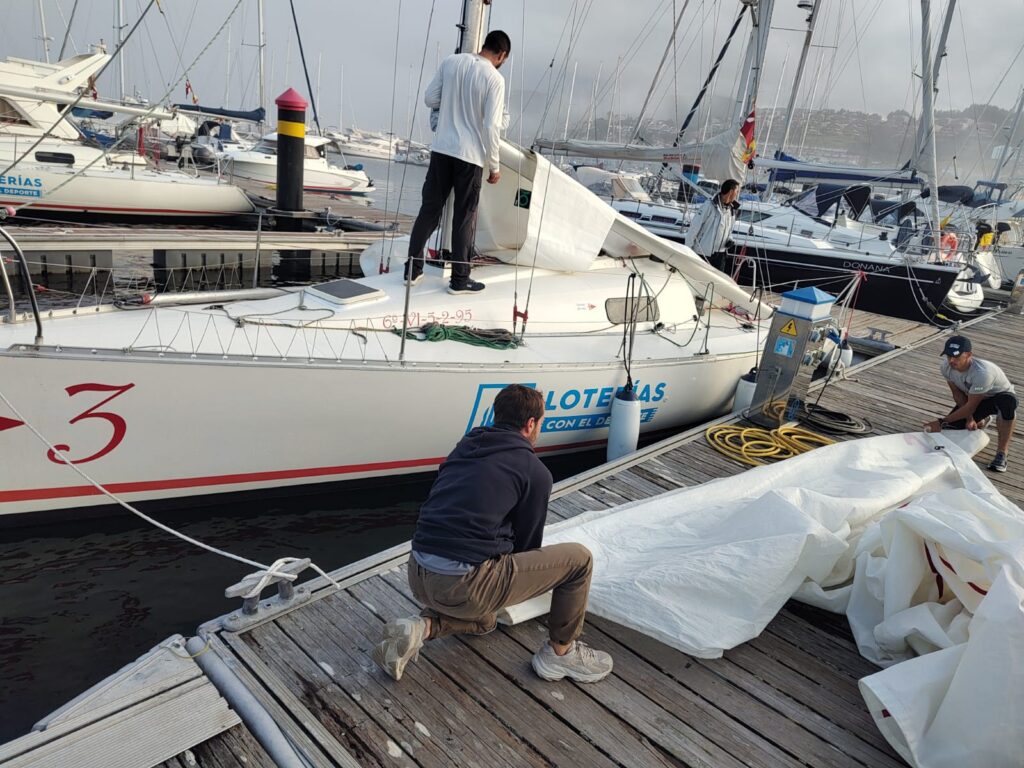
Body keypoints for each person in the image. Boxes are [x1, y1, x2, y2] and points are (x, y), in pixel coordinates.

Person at [373, 384, 613, 684]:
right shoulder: (534, 472)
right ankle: (561, 654)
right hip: (461, 586)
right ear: (530, 425)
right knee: (579, 560)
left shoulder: (465, 446)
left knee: (486, 619)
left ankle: (422, 627)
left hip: (417, 573)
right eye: (540, 422)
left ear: (498, 416)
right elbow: (527, 548)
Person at [403, 30, 511, 295]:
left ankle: (412, 271)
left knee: (429, 210)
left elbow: (430, 99)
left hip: (442, 150)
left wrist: (452, 103)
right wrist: (494, 166)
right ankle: (459, 281)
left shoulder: (452, 62)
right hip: (470, 156)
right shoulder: (494, 79)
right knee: (464, 218)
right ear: (502, 55)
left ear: (484, 45)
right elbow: (491, 126)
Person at [924, 335, 1016, 472]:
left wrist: (941, 421)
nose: (951, 360)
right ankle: (982, 420)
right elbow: (958, 395)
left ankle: (1002, 453)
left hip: (998, 397)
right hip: (974, 397)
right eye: (948, 356)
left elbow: (970, 406)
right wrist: (969, 419)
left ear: (968, 355)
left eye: (956, 356)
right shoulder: (946, 367)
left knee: (1007, 405)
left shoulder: (982, 373)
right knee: (952, 427)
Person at [687, 178, 741, 272]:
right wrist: (687, 251)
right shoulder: (709, 205)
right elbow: (694, 228)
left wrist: (730, 239)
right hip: (704, 253)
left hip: (720, 255)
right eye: (737, 191)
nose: (737, 194)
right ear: (731, 191)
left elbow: (728, 230)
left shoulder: (732, 209)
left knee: (716, 283)